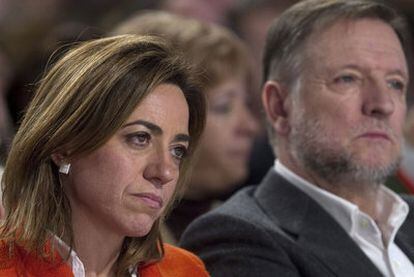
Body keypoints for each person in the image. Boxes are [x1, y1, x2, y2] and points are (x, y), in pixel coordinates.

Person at [180, 0, 414, 276]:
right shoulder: (238, 238)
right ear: (280, 106)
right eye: (348, 79)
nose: (382, 104)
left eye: (395, 83)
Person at [0, 34, 209, 276]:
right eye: (140, 138)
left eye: (177, 151)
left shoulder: (186, 271)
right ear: (65, 144)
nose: (165, 172)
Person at [112, 11, 259, 243]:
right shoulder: (103, 236)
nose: (250, 126)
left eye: (247, 103)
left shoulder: (244, 228)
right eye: (224, 106)